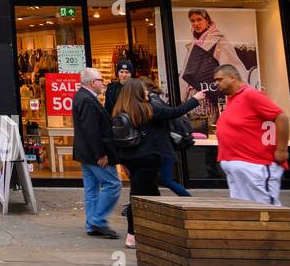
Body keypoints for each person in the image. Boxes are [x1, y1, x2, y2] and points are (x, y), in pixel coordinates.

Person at [212, 64, 290, 266]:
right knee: (247, 211)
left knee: (270, 210)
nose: (217, 84)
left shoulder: (251, 95)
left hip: (256, 164)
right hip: (238, 164)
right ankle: (259, 250)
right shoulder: (234, 98)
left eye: (219, 79)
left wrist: (282, 149)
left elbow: (281, 116)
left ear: (233, 77)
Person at [112, 78, 205, 249]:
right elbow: (173, 112)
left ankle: (151, 231)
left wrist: (122, 162)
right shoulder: (147, 110)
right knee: (139, 197)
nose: (148, 93)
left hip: (131, 160)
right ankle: (132, 235)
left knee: (151, 195)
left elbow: (118, 140)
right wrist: (195, 100)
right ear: (138, 92)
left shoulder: (121, 111)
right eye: (144, 90)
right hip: (148, 158)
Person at [73, 67, 121, 239]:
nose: (104, 83)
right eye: (101, 80)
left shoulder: (83, 96)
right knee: (113, 184)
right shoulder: (86, 99)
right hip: (94, 154)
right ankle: (98, 220)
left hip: (86, 153)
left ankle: (92, 223)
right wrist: (100, 154)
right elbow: (91, 129)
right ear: (93, 83)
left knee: (92, 188)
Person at [144, 75, 192, 198]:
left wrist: (194, 100)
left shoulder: (153, 103)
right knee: (153, 180)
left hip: (163, 148)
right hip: (162, 147)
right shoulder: (156, 101)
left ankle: (189, 199)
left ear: (146, 89)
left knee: (165, 179)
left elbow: (172, 113)